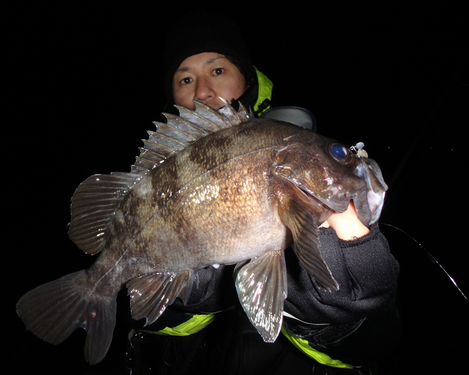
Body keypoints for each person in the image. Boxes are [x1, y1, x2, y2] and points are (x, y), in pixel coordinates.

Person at [127, 10, 400, 375]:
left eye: (217, 70)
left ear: (247, 78)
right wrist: (181, 300)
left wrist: (339, 320)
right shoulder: (158, 167)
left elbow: (377, 350)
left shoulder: (287, 145)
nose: (203, 90)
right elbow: (153, 327)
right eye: (185, 78)